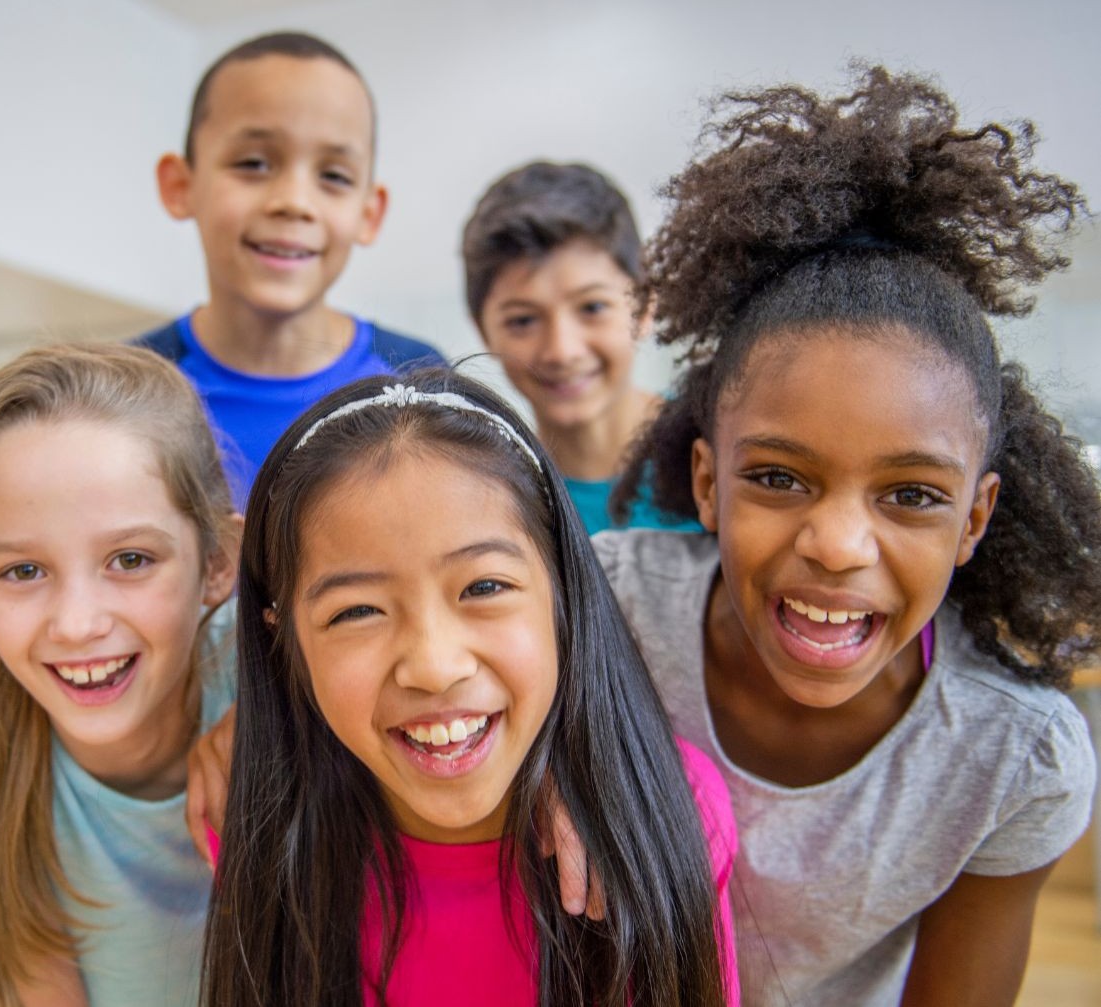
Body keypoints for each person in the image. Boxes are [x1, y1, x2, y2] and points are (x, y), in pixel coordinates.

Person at [598, 66, 1100, 1005]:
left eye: (910, 494)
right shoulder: (602, 611)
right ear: (707, 482)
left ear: (974, 519)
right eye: (778, 478)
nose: (836, 544)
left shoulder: (1009, 758)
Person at [203, 369, 739, 1005]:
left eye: (483, 587)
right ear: (282, 638)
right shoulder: (265, 825)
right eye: (356, 612)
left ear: (564, 593)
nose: (433, 666)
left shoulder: (667, 810)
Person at [0, 343, 241, 1007]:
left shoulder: (289, 689)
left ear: (216, 563)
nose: (76, 623)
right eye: (23, 571)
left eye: (130, 559)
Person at [135, 30, 443, 509]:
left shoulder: (419, 382)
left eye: (334, 176)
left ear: (369, 212)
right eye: (254, 164)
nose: (295, 203)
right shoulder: (119, 394)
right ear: (181, 186)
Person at [463, 161, 700, 534]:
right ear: (483, 330)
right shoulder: (489, 501)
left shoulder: (713, 452)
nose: (562, 351)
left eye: (592, 308)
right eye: (523, 320)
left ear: (644, 305)